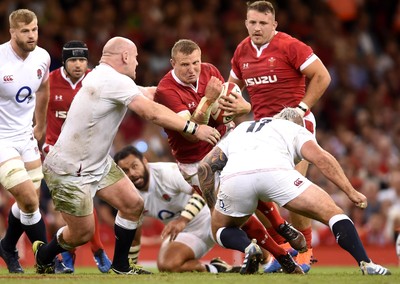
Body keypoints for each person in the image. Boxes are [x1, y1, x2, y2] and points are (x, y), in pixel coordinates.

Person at [32, 36, 220, 275]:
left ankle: (120, 267)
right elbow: (150, 112)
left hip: (97, 163)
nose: (138, 63)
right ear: (125, 57)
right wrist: (195, 128)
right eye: (136, 58)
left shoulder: (103, 76)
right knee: (82, 234)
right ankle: (44, 255)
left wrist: (179, 94)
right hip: (70, 168)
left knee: (133, 205)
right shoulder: (113, 80)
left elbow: (151, 94)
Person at [154, 39, 305, 274]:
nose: (192, 69)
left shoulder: (210, 71)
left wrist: (240, 108)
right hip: (195, 163)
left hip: (225, 144)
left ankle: (280, 225)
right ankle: (281, 254)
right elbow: (193, 133)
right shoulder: (166, 91)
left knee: (251, 184)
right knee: (234, 208)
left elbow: (239, 107)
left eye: (196, 62)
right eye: (184, 65)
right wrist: (207, 101)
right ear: (172, 63)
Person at [198, 107, 391, 275]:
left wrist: (214, 208)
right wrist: (351, 191)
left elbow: (205, 167)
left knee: (221, 229)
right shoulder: (295, 129)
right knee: (334, 214)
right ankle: (367, 263)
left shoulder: (242, 128)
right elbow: (321, 158)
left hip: (235, 178)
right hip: (276, 174)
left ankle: (249, 247)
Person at [225, 0, 332, 269]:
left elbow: (322, 76)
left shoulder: (290, 46)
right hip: (263, 130)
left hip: (295, 126)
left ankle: (306, 252)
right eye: (252, 22)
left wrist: (301, 108)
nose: (257, 27)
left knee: (293, 191)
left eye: (263, 23)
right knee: (261, 195)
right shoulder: (241, 51)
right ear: (246, 22)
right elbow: (232, 88)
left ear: (274, 24)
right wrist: (231, 106)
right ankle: (283, 252)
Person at [0, 8, 69, 274]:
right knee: (29, 199)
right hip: (2, 140)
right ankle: (47, 258)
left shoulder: (42, 56)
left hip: (25, 137)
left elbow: (43, 88)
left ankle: (6, 246)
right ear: (13, 32)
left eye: (35, 29)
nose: (32, 35)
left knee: (29, 203)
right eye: (26, 31)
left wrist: (40, 124)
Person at [42, 40, 111, 273]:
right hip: (56, 155)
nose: (78, 64)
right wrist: (42, 143)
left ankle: (72, 254)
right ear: (64, 61)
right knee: (72, 207)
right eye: (73, 60)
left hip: (89, 154)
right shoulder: (49, 81)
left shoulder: (95, 80)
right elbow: (33, 111)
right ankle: (95, 250)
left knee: (82, 204)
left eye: (82, 59)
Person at [114, 145, 233, 273]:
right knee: (167, 266)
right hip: (184, 233)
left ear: (144, 161)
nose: (132, 173)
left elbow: (202, 191)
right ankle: (217, 269)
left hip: (211, 218)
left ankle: (255, 255)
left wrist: (182, 220)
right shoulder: (128, 195)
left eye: (134, 166)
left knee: (242, 220)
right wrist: (128, 268)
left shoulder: (167, 172)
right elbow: (134, 238)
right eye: (125, 170)